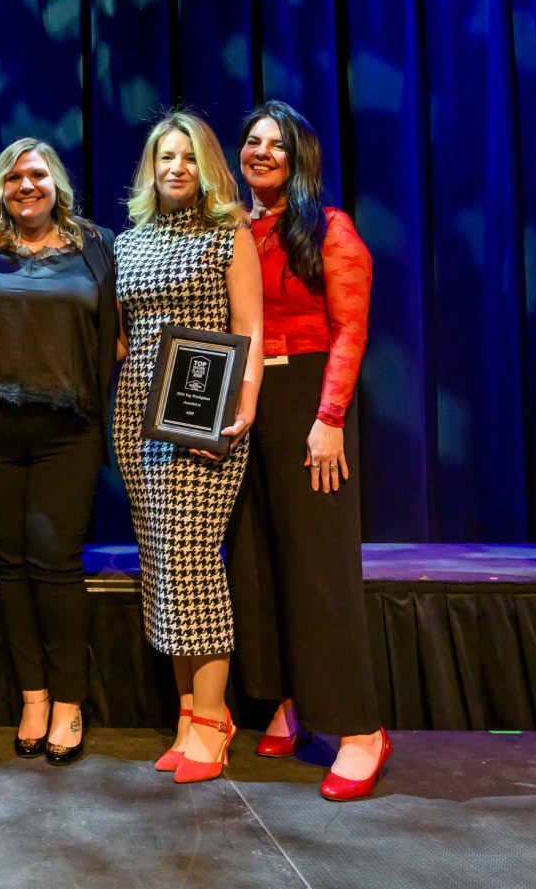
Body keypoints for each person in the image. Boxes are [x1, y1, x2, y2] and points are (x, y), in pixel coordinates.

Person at [226, 101, 388, 800]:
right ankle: (288, 699)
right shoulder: (233, 228)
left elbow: (350, 330)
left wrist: (328, 418)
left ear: (299, 160)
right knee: (261, 563)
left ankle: (359, 729)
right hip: (250, 402)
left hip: (310, 405)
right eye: (252, 141)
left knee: (319, 569)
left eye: (277, 145)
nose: (261, 152)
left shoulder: (330, 227)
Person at [113, 110, 264, 784]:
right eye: (163, 157)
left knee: (194, 562)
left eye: (187, 157)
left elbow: (250, 327)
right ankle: (190, 715)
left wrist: (244, 405)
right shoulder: (127, 242)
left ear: (207, 167)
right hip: (135, 420)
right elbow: (121, 337)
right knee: (164, 568)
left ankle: (212, 716)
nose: (175, 167)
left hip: (204, 420)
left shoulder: (229, 233)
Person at [0, 139, 117, 766]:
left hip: (67, 428)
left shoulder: (94, 245)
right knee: (11, 562)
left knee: (55, 560)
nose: (26, 186)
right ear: (0, 187)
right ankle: (34, 696)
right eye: (14, 177)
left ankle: (71, 702)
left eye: (37, 175)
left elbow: (118, 333)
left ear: (57, 184)